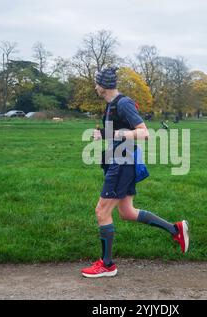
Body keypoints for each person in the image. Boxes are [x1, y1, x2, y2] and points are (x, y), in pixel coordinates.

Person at [81, 67, 190, 278]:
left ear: (103, 85)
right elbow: (119, 133)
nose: (95, 86)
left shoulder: (123, 103)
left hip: (123, 162)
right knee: (127, 212)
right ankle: (176, 230)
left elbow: (144, 132)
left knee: (102, 212)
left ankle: (107, 265)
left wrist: (126, 133)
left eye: (96, 83)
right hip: (121, 160)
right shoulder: (112, 105)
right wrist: (103, 133)